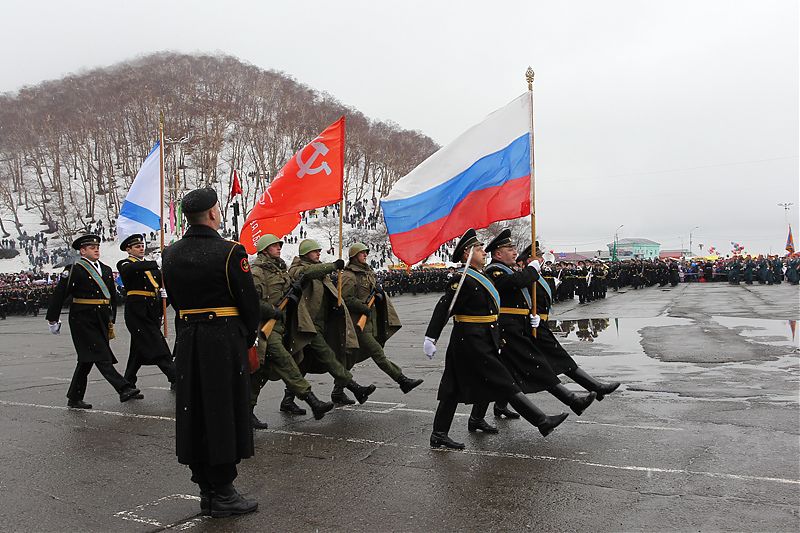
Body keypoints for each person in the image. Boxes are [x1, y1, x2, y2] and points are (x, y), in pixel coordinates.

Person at [162, 188, 259, 518]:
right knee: (224, 410)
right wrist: (250, 339)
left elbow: (174, 299)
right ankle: (224, 491)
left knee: (196, 411)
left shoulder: (170, 254)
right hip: (224, 339)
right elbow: (248, 303)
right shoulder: (230, 251)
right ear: (214, 214)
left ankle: (206, 488)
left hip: (189, 338)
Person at [423, 229, 569, 450]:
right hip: (470, 340)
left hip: (481, 338)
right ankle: (541, 421)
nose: (483, 252)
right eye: (479, 249)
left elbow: (493, 311)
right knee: (503, 380)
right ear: (466, 255)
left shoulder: (480, 276)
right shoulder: (462, 279)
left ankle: (439, 434)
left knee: (452, 389)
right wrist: (431, 336)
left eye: (482, 248)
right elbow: (444, 307)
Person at [470, 230, 596, 433]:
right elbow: (514, 284)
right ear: (498, 254)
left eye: (514, 248)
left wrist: (531, 316)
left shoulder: (507, 269)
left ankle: (479, 417)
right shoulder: (495, 270)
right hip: (506, 330)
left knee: (501, 376)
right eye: (509, 249)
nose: (514, 252)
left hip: (516, 327)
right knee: (532, 367)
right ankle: (568, 404)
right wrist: (532, 269)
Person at [46, 234, 141, 408]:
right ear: (82, 251)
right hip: (82, 319)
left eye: (97, 247)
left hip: (101, 318)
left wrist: (112, 316)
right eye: (91, 247)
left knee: (86, 360)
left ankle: (74, 397)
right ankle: (124, 388)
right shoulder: (74, 269)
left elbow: (111, 295)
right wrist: (53, 319)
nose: (96, 249)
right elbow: (59, 295)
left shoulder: (105, 269)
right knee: (100, 355)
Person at [517, 242, 621, 402]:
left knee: (518, 371)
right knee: (519, 371)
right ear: (528, 260)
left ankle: (593, 388)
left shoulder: (536, 276)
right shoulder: (525, 276)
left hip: (540, 326)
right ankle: (591, 389)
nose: (541, 259)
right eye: (537, 256)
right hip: (530, 328)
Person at [248, 234, 334, 426]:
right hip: (264, 330)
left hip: (280, 328)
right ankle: (313, 401)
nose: (279, 248)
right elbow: (252, 302)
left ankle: (247, 411)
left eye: (279, 245)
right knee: (287, 363)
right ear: (264, 250)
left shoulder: (280, 270)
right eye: (274, 246)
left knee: (261, 373)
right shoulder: (257, 273)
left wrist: (293, 293)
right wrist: (273, 311)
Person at [287, 239, 376, 406]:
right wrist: (334, 265)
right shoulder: (298, 269)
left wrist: (335, 306)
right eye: (315, 251)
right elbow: (307, 273)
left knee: (305, 362)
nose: (319, 253)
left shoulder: (321, 273)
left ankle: (288, 399)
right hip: (307, 324)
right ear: (305, 253)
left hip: (322, 324)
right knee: (328, 357)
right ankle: (355, 388)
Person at [338, 242, 423, 400]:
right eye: (362, 253)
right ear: (354, 256)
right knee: (378, 353)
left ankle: (337, 392)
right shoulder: (349, 276)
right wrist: (362, 306)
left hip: (369, 321)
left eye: (365, 252)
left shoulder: (367, 272)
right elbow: (345, 299)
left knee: (350, 359)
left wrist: (378, 294)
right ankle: (402, 380)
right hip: (357, 323)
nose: (365, 255)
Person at [116, 234, 175, 389]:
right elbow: (132, 269)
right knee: (158, 345)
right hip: (137, 312)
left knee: (138, 349)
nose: (141, 248)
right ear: (128, 250)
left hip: (151, 311)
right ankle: (175, 377)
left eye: (142, 246)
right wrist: (155, 263)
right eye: (137, 247)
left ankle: (128, 382)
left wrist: (164, 298)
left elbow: (159, 285)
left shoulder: (152, 268)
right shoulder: (125, 264)